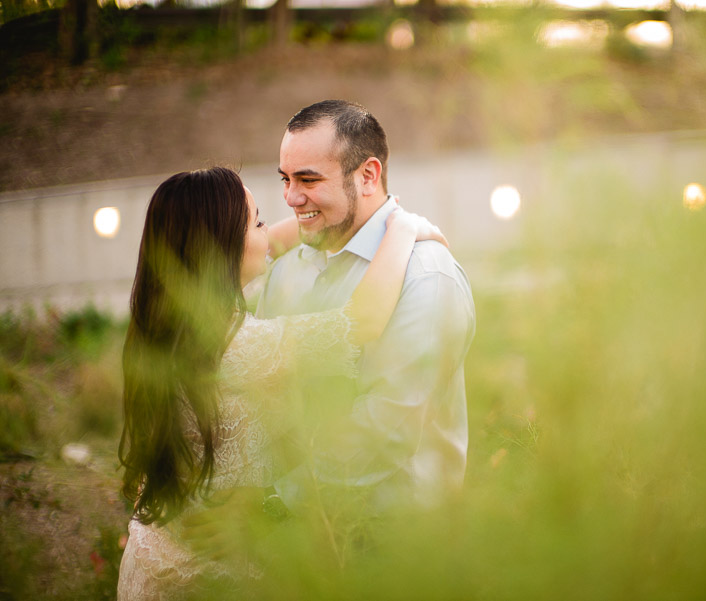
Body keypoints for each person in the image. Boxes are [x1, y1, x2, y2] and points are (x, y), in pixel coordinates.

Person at [116, 166, 446, 600]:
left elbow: (272, 242)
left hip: (153, 561)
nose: (270, 229)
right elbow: (362, 320)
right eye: (256, 219)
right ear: (222, 248)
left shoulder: (173, 329)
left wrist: (355, 214)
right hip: (211, 579)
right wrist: (401, 226)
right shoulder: (235, 346)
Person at [180, 100, 476, 552]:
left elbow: (384, 431)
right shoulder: (287, 266)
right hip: (289, 538)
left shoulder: (425, 276)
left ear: (368, 176)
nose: (291, 197)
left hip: (393, 543)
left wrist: (272, 503)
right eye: (286, 179)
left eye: (308, 179)